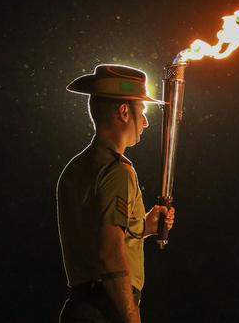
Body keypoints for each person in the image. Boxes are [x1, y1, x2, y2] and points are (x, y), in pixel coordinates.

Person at [57, 64, 176, 323]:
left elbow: (95, 233)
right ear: (124, 112)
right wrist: (131, 318)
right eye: (141, 111)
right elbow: (109, 252)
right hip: (105, 309)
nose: (145, 121)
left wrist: (143, 226)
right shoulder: (118, 171)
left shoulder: (76, 167)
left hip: (80, 307)